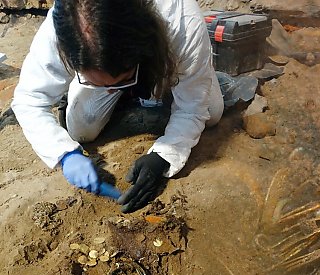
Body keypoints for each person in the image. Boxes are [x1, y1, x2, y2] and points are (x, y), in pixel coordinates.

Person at [12, 0, 224, 213]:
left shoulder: (182, 21)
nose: (112, 89)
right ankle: (114, 86)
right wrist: (64, 154)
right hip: (106, 66)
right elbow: (29, 99)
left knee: (212, 112)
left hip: (163, 58)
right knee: (81, 130)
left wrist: (167, 153)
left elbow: (193, 108)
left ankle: (173, 76)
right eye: (98, 81)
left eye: (122, 80)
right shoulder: (62, 27)